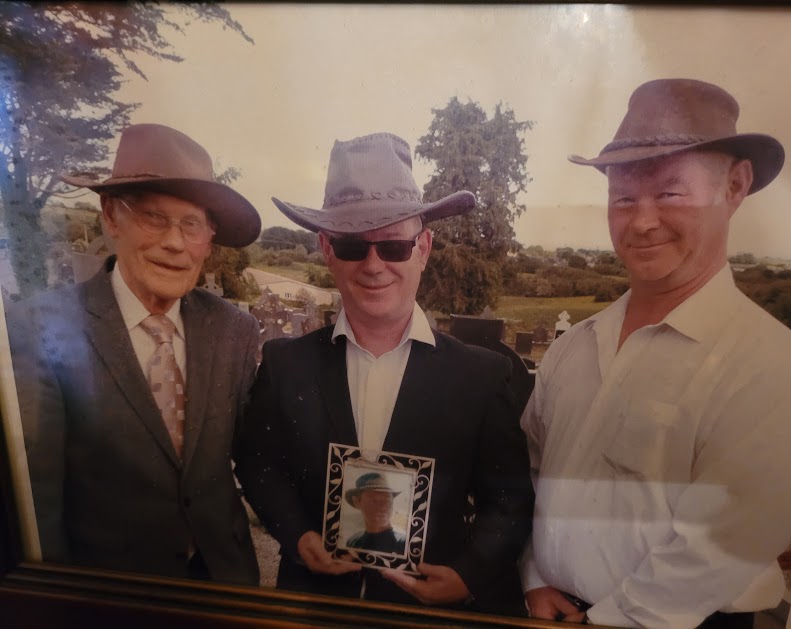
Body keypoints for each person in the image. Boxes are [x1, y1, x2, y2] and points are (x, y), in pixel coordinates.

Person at [520, 79, 791, 628]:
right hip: (551, 612)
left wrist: (602, 622)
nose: (641, 221)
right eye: (623, 198)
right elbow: (532, 475)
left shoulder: (770, 366)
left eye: (670, 193)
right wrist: (534, 578)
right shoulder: (573, 347)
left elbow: (720, 548)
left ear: (735, 186)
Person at [234, 132, 534, 614]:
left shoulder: (483, 377)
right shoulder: (285, 365)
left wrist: (468, 574)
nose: (374, 265)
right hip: (315, 611)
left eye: (393, 246)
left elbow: (511, 499)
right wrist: (298, 535)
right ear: (327, 248)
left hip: (428, 615)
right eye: (354, 246)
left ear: (424, 248)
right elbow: (259, 464)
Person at [7, 123, 263, 584]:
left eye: (192, 225)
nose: (174, 242)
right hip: (112, 600)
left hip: (224, 590)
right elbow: (37, 503)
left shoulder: (234, 330)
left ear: (209, 239)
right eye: (153, 218)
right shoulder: (42, 329)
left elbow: (255, 458)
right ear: (111, 217)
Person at [343, 472, 406, 554]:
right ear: (357, 502)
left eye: (387, 501)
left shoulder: (404, 543)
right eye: (373, 501)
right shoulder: (353, 542)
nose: (382, 507)